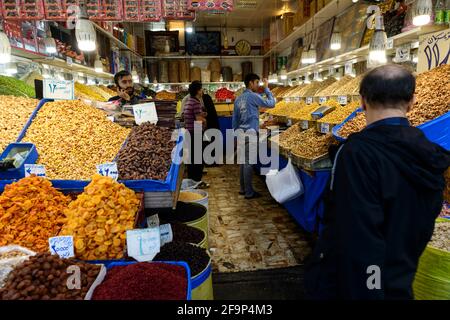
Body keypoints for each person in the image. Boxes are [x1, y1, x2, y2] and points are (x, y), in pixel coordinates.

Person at [304, 64, 450, 300]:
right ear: (412, 101)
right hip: (402, 276)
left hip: (362, 285)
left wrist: (372, 288)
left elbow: (356, 234)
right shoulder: (431, 154)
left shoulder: (354, 153)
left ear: (362, 102)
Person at [232, 73, 276, 199]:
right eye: (257, 82)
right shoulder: (253, 96)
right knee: (248, 163)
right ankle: (249, 192)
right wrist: (267, 88)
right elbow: (271, 103)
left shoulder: (238, 99)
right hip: (250, 133)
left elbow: (234, 120)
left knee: (243, 162)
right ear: (251, 83)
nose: (258, 85)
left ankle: (242, 188)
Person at [183, 81, 208, 184]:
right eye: (201, 89)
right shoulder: (196, 102)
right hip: (195, 133)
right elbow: (198, 120)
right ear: (198, 90)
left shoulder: (189, 101)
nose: (202, 91)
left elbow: (195, 115)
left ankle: (192, 180)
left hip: (189, 132)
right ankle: (197, 181)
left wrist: (201, 114)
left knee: (192, 159)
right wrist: (204, 120)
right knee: (198, 159)